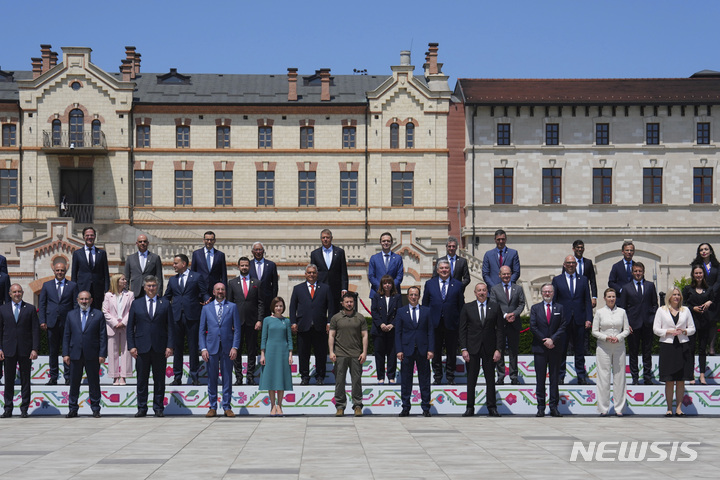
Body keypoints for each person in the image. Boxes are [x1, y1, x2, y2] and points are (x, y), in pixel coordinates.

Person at [128, 275, 174, 417]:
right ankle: (142, 407)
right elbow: (130, 327)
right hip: (141, 348)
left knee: (159, 380)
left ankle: (158, 407)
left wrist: (170, 346)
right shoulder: (136, 304)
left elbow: (171, 327)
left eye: (154, 285)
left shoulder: (165, 303)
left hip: (160, 347)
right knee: (142, 380)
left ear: (157, 287)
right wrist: (131, 346)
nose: (151, 288)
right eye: (149, 285)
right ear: (144, 287)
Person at [459, 282, 504, 417]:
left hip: (490, 349)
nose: (482, 293)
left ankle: (492, 407)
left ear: (487, 292)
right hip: (472, 349)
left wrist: (498, 349)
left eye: (484, 290)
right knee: (471, 380)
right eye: (479, 290)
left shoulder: (495, 307)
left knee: (490, 379)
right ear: (475, 292)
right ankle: (470, 407)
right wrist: (464, 349)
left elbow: (500, 330)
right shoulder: (467, 307)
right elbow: (462, 330)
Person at [164, 254, 209, 386]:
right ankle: (177, 376)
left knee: (193, 347)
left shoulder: (196, 277)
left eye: (175, 263)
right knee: (177, 347)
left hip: (192, 316)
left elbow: (203, 292)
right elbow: (167, 296)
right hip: (176, 316)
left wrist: (207, 300)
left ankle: (195, 376)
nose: (173, 265)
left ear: (183, 264)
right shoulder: (172, 280)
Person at [63, 291, 107, 418]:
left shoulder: (98, 315)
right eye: (82, 299)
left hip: (93, 354)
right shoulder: (71, 315)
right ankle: (72, 408)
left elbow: (103, 336)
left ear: (91, 300)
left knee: (94, 383)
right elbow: (66, 335)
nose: (84, 301)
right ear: (77, 300)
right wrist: (65, 353)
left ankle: (95, 408)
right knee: (74, 383)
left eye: (86, 299)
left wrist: (102, 353)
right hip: (75, 354)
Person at [199, 283, 241, 417]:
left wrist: (235, 347)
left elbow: (237, 330)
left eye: (222, 289)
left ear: (225, 292)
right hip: (211, 348)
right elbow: (201, 331)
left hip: (227, 348)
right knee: (212, 378)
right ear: (213, 291)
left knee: (227, 377)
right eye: (218, 289)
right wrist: (203, 348)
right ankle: (212, 406)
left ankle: (227, 406)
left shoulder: (232, 307)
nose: (220, 291)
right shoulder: (206, 308)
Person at [653, 287, 695, 417]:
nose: (676, 297)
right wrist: (668, 331)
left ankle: (679, 408)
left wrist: (684, 331)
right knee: (669, 380)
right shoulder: (661, 310)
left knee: (681, 380)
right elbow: (655, 329)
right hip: (668, 346)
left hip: (683, 346)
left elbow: (692, 328)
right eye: (674, 295)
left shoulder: (686, 310)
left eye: (678, 295)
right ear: (669, 297)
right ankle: (669, 408)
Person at [423, 258, 464, 385]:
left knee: (452, 351)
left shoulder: (457, 284)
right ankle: (438, 377)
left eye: (446, 268)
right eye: (442, 268)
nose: (444, 270)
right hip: (434, 323)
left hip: (452, 323)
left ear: (450, 270)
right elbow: (425, 304)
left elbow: (461, 306)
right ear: (437, 270)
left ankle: (451, 377)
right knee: (436, 351)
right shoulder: (430, 284)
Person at [289, 264, 333, 385]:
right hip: (303, 326)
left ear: (317, 274)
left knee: (321, 353)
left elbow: (331, 307)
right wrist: (293, 322)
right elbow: (292, 307)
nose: (311, 275)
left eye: (313, 272)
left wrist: (329, 322)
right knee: (303, 353)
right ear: (305, 274)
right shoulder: (298, 288)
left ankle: (320, 376)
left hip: (320, 326)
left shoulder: (325, 288)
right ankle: (304, 377)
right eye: (309, 273)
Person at [552, 255, 593, 384]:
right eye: (568, 263)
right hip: (563, 321)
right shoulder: (557, 280)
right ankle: (560, 376)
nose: (570, 265)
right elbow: (554, 302)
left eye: (573, 263)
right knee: (561, 350)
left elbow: (587, 300)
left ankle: (581, 376)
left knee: (579, 350)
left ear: (576, 264)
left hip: (579, 320)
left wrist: (588, 318)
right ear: (564, 265)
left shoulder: (583, 280)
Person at [0, 284, 39, 418]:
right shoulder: (3, 309)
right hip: (8, 349)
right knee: (9, 380)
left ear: (22, 293)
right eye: (14, 292)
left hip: (25, 350)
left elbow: (35, 330)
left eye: (19, 291)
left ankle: (24, 409)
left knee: (25, 380)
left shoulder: (30, 309)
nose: (17, 294)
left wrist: (34, 348)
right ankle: (8, 408)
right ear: (10, 294)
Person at [396, 286, 434, 417]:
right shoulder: (401, 312)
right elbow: (398, 332)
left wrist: (431, 349)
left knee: (424, 380)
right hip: (407, 350)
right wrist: (399, 350)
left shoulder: (426, 311)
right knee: (406, 380)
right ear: (407, 296)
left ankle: (426, 408)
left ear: (419, 296)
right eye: (411, 294)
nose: (413, 297)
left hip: (423, 350)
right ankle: (405, 407)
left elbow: (430, 331)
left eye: (416, 295)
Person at [591, 288, 630, 416]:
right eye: (609, 297)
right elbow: (594, 331)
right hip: (603, 347)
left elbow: (626, 330)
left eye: (613, 296)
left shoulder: (622, 312)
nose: (611, 299)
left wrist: (618, 337)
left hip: (619, 346)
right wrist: (606, 337)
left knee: (620, 377)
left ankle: (619, 408)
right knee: (603, 377)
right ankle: (603, 408)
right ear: (604, 298)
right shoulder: (599, 312)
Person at [618, 262, 658, 385]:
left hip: (647, 324)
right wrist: (626, 324)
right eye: (635, 271)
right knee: (633, 353)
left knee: (647, 352)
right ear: (632, 272)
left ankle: (647, 377)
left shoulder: (650, 286)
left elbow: (655, 304)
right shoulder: (626, 288)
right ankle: (635, 378)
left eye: (640, 271)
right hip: (632, 325)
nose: (638, 273)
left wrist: (652, 319)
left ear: (643, 271)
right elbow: (622, 308)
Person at [39, 259, 77, 386]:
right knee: (53, 351)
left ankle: (68, 377)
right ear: (53, 271)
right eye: (57, 270)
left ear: (65, 271)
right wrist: (42, 320)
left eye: (62, 270)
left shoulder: (72, 286)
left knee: (67, 351)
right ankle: (53, 377)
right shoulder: (46, 285)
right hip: (51, 322)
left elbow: (75, 305)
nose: (60, 272)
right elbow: (42, 304)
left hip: (67, 323)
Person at [329, 293, 368, 417]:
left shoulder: (360, 318)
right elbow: (331, 335)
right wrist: (331, 351)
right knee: (339, 381)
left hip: (356, 355)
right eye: (347, 302)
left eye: (351, 301)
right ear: (342, 303)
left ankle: (357, 405)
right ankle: (340, 406)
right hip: (340, 354)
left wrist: (364, 352)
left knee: (356, 381)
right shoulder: (336, 318)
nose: (349, 304)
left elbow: (365, 335)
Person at [227, 256, 264, 386]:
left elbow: (260, 303)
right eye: (242, 265)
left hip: (252, 322)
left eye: (246, 265)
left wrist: (260, 320)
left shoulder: (257, 283)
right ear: (238, 267)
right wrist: (230, 321)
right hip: (236, 323)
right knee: (236, 350)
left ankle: (250, 376)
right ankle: (238, 377)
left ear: (250, 267)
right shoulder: (232, 283)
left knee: (251, 351)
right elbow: (229, 304)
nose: (244, 267)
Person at [530, 283, 565, 417]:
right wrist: (545, 340)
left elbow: (563, 325)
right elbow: (533, 326)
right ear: (541, 293)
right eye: (545, 291)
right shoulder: (535, 308)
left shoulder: (560, 308)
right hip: (540, 348)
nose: (547, 294)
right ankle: (540, 407)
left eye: (549, 291)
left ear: (553, 293)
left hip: (555, 348)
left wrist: (553, 340)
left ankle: (554, 407)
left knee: (554, 379)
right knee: (540, 379)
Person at [489, 265, 526, 385]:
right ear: (499, 275)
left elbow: (521, 304)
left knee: (513, 351)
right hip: (500, 324)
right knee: (499, 350)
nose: (506, 276)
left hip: (514, 324)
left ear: (511, 275)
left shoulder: (518, 288)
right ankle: (500, 376)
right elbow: (494, 304)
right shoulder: (494, 289)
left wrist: (514, 314)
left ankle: (514, 377)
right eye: (504, 274)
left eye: (508, 274)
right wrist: (505, 315)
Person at [259, 297, 293, 416]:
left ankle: (280, 405)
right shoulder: (267, 320)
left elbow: (289, 338)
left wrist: (290, 354)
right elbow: (264, 338)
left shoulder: (286, 321)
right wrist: (262, 354)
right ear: (273, 307)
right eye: (277, 306)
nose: (279, 308)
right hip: (270, 352)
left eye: (281, 306)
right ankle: (272, 406)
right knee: (271, 379)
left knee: (281, 379)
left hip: (283, 353)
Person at [682, 264, 713, 385]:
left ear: (703, 274)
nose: (698, 275)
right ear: (693, 275)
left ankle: (702, 375)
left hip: (705, 322)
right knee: (690, 349)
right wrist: (692, 308)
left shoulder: (709, 289)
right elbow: (683, 304)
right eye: (696, 273)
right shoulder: (687, 289)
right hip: (691, 323)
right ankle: (691, 375)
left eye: (700, 273)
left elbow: (715, 303)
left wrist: (710, 302)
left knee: (702, 349)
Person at [102, 273, 134, 385]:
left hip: (125, 326)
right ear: (116, 281)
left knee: (126, 352)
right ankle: (114, 376)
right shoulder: (108, 295)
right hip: (112, 327)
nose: (125, 281)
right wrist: (115, 322)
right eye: (123, 279)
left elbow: (132, 310)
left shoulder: (130, 294)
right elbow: (105, 311)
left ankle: (124, 376)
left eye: (125, 279)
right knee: (113, 352)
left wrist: (124, 322)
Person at [370, 274, 402, 384]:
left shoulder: (397, 297)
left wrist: (392, 324)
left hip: (392, 331)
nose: (387, 285)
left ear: (392, 285)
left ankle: (391, 377)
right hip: (379, 331)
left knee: (392, 355)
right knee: (379, 355)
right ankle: (380, 377)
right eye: (385, 283)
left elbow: (399, 312)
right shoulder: (376, 296)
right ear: (382, 285)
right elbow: (374, 311)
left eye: (389, 283)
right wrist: (381, 324)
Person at [310, 229, 348, 317]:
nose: (325, 239)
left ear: (331, 238)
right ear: (321, 239)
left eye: (327, 237)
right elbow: (312, 273)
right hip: (320, 288)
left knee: (335, 313)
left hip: (335, 288)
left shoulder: (339, 252)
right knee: (320, 312)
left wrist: (344, 288)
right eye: (323, 237)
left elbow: (343, 271)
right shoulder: (315, 254)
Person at [71, 226, 110, 310]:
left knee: (97, 313)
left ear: (95, 236)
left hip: (98, 290)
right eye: (87, 235)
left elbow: (106, 274)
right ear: (83, 237)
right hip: (82, 289)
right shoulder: (77, 254)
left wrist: (107, 291)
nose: (90, 237)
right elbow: (74, 274)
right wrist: (74, 291)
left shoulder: (102, 253)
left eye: (92, 235)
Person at [692, 243, 719, 355]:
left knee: (712, 323)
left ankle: (712, 348)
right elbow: (695, 280)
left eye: (706, 249)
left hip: (715, 298)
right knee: (701, 323)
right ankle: (701, 348)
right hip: (700, 297)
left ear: (711, 251)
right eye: (701, 249)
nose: (704, 251)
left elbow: (718, 282)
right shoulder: (696, 265)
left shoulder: (717, 266)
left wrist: (711, 294)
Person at [124, 234, 164, 299]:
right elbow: (127, 277)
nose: (142, 243)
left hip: (150, 291)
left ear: (148, 243)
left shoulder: (155, 258)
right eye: (140, 242)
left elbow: (159, 277)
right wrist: (125, 292)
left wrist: (159, 292)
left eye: (144, 241)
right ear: (137, 243)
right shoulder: (130, 258)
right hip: (135, 292)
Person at [191, 231, 228, 298]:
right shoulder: (196, 254)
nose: (209, 242)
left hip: (215, 291)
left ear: (214, 241)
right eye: (207, 239)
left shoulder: (220, 255)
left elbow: (223, 275)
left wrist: (224, 291)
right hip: (200, 291)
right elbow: (193, 272)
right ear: (203, 240)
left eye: (211, 240)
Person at [368, 232, 404, 298]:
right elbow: (371, 276)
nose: (386, 243)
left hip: (394, 293)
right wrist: (381, 287)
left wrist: (390, 287)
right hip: (377, 292)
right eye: (384, 241)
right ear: (380, 242)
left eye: (388, 241)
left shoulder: (398, 258)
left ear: (392, 242)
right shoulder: (374, 258)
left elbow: (399, 276)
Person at [249, 241, 279, 318]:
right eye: (256, 250)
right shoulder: (248, 265)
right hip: (252, 302)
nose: (258, 252)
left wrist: (273, 302)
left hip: (267, 302)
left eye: (260, 249)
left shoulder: (271, 265)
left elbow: (275, 285)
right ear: (252, 252)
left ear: (263, 251)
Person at [568, 240, 597, 308]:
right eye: (578, 247)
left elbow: (593, 281)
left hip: (585, 293)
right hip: (572, 293)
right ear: (573, 249)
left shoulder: (588, 262)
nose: (580, 249)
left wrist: (594, 297)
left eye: (582, 247)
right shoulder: (569, 263)